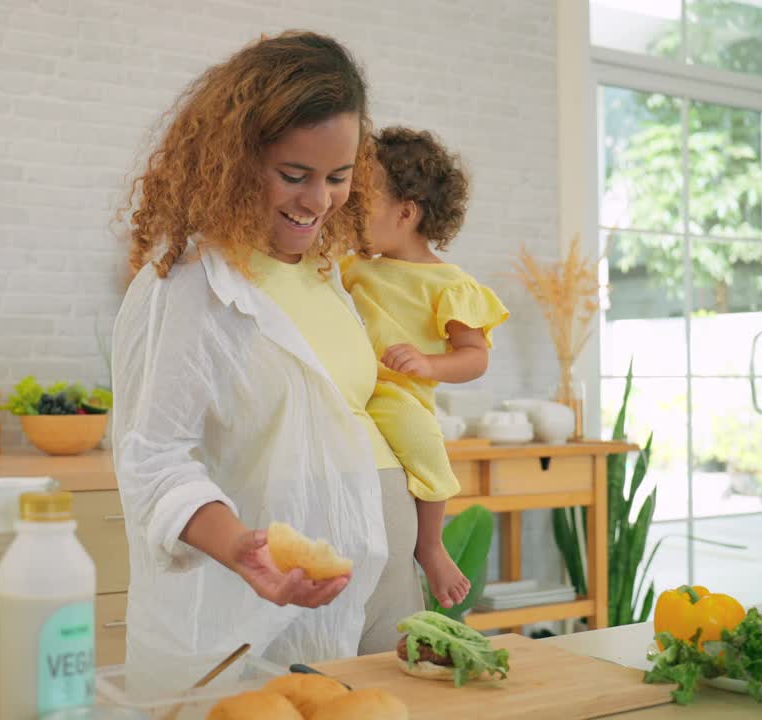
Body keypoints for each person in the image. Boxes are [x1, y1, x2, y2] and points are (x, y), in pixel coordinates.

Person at [111, 31, 406, 684]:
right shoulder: (192, 283)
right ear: (237, 160)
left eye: (338, 177)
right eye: (294, 176)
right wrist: (238, 548)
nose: (318, 202)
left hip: (360, 605)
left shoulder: (326, 270)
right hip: (247, 623)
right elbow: (152, 456)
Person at [341, 126, 510, 617]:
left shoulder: (449, 284)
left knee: (424, 445)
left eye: (361, 201)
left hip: (399, 394)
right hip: (354, 388)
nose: (349, 210)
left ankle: (430, 546)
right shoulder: (355, 267)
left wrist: (428, 363)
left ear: (406, 212)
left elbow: (475, 356)